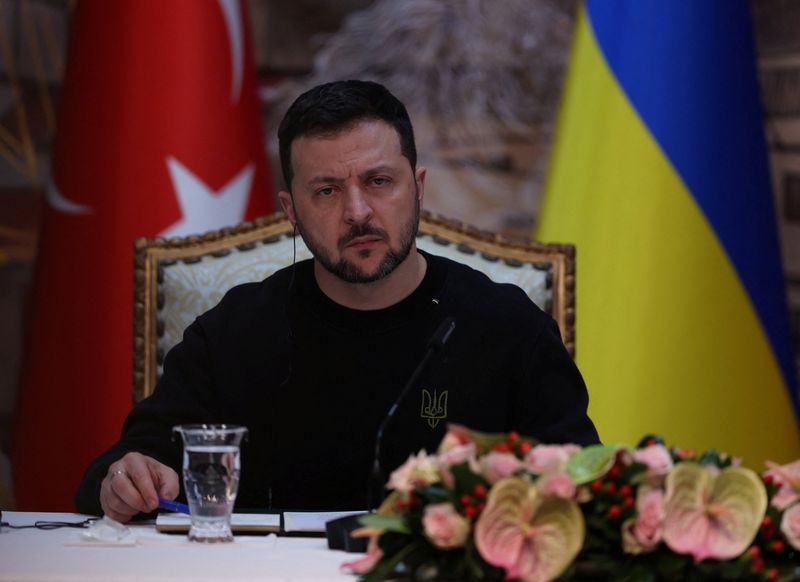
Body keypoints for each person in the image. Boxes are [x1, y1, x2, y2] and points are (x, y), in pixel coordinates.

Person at [75, 80, 599, 522]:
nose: (357, 212)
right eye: (326, 190)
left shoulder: (506, 326)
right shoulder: (235, 330)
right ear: (291, 211)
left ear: (418, 189)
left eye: (378, 181)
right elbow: (126, 463)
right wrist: (127, 478)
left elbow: (583, 486)